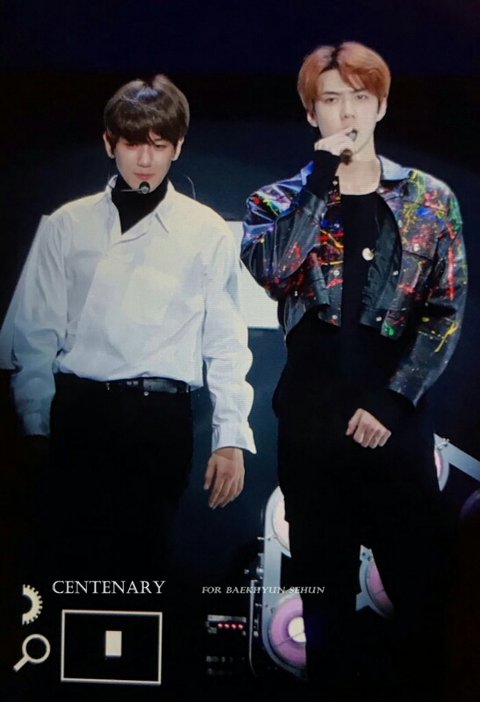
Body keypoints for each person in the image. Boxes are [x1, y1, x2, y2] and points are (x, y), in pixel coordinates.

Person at [241, 42, 466, 700]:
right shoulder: (275, 200)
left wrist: (393, 403)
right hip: (312, 422)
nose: (347, 113)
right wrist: (319, 183)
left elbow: (445, 310)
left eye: (360, 98)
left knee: (420, 593)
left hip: (395, 418)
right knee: (323, 602)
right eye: (331, 100)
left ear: (382, 106)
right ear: (311, 113)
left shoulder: (429, 199)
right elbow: (272, 270)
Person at [10, 74, 255, 583]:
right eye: (132, 144)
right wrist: (34, 425)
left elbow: (227, 342)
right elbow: (33, 336)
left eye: (159, 145)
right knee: (68, 565)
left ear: (177, 148)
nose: (145, 159)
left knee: (143, 565)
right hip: (78, 412)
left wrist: (230, 437)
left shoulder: (205, 230)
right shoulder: (67, 224)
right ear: (109, 143)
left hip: (158, 419)